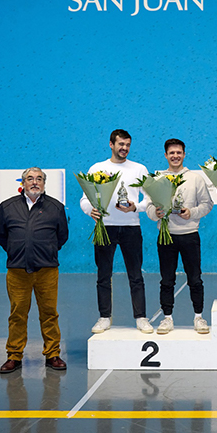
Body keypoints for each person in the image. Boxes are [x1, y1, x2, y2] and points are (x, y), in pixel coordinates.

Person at [0, 167, 69, 373]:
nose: (34, 182)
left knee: (49, 313)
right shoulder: (7, 206)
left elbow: (62, 236)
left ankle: (52, 354)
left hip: (47, 270)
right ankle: (14, 355)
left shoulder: (56, 207)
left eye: (39, 179)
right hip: (17, 271)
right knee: (17, 314)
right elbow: (0, 235)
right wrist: (16, 250)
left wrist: (46, 251)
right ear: (23, 183)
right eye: (30, 179)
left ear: (44, 183)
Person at [81, 129, 153, 334]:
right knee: (103, 275)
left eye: (128, 145)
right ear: (111, 144)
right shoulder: (97, 168)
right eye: (121, 144)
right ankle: (104, 317)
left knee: (136, 275)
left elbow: (149, 198)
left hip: (131, 228)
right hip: (105, 228)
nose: (124, 148)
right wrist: (91, 211)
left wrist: (135, 207)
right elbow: (85, 199)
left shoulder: (139, 169)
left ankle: (141, 318)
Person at [145, 139, 213, 334]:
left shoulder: (195, 178)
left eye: (179, 152)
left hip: (190, 235)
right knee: (166, 280)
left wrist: (191, 213)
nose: (175, 156)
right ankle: (167, 318)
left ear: (184, 154)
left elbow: (207, 204)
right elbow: (149, 207)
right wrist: (156, 214)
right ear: (165, 155)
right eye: (171, 153)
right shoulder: (157, 178)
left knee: (195, 279)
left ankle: (199, 317)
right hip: (166, 237)